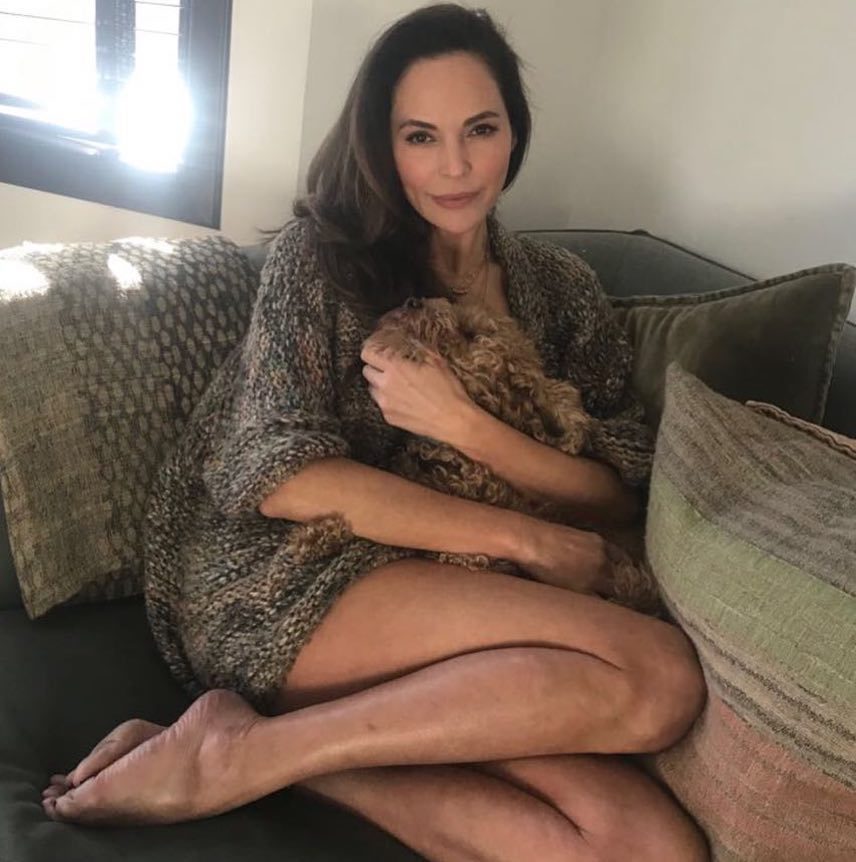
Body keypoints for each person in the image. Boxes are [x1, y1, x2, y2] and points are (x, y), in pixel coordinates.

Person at [42, 4, 709, 859]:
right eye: (420, 136)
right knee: (659, 677)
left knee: (649, 846)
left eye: (480, 129)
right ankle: (240, 753)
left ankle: (266, 755)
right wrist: (529, 540)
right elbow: (282, 477)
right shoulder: (319, 258)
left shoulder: (563, 289)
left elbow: (621, 485)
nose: (456, 165)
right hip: (283, 571)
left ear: (515, 131)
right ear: (381, 146)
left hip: (448, 580)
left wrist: (466, 426)